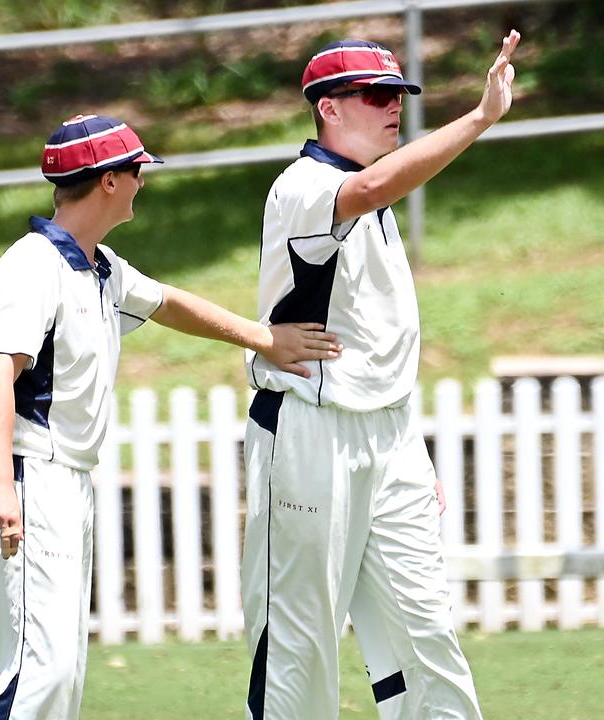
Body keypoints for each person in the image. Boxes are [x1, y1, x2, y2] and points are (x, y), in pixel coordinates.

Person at [0, 114, 340, 720]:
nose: (143, 181)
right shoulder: (30, 266)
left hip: (63, 481)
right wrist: (1, 485)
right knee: (41, 672)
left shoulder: (101, 266)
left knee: (60, 677)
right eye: (137, 170)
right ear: (108, 180)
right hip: (29, 477)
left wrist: (264, 338)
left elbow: (170, 304)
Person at [241, 31, 520, 719]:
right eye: (375, 96)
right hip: (309, 431)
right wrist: (480, 117)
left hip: (387, 436)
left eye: (398, 96)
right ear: (327, 109)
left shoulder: (374, 193)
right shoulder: (304, 187)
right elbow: (366, 188)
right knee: (300, 648)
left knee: (427, 633)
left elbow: (378, 338)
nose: (393, 109)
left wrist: (408, 449)